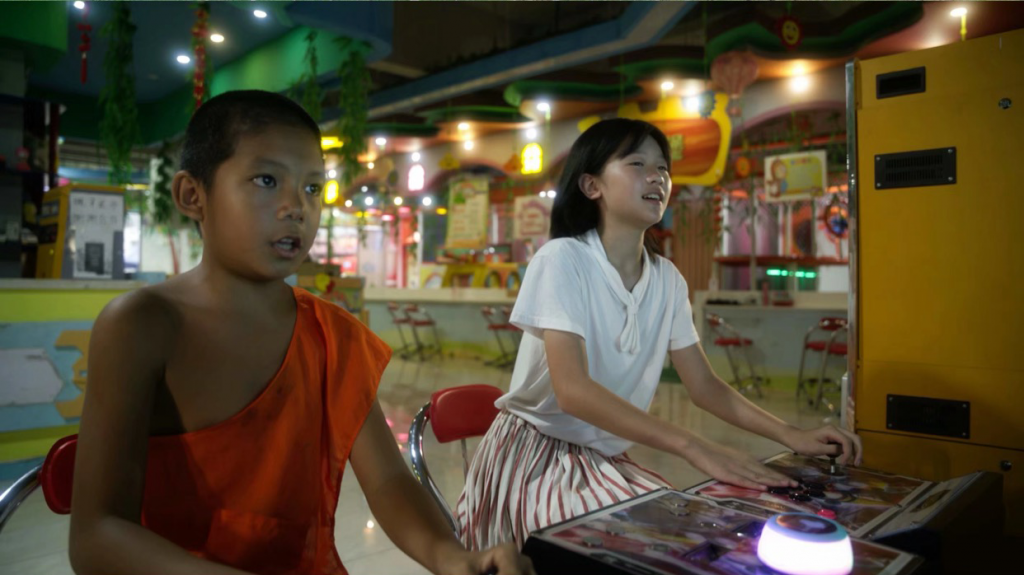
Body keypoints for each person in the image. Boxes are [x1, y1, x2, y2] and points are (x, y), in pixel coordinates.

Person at [69, 90, 533, 575]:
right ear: (192, 195)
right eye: (267, 180)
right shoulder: (141, 326)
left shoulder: (333, 335)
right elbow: (97, 536)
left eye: (313, 188)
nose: (296, 207)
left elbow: (388, 481)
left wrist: (455, 558)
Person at [456, 119, 863, 550]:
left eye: (663, 167)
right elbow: (572, 391)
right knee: (641, 549)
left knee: (696, 534)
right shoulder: (563, 258)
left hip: (599, 459)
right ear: (592, 186)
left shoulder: (667, 279)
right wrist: (692, 445)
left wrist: (791, 435)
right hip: (534, 457)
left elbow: (704, 386)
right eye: (637, 164)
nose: (657, 177)